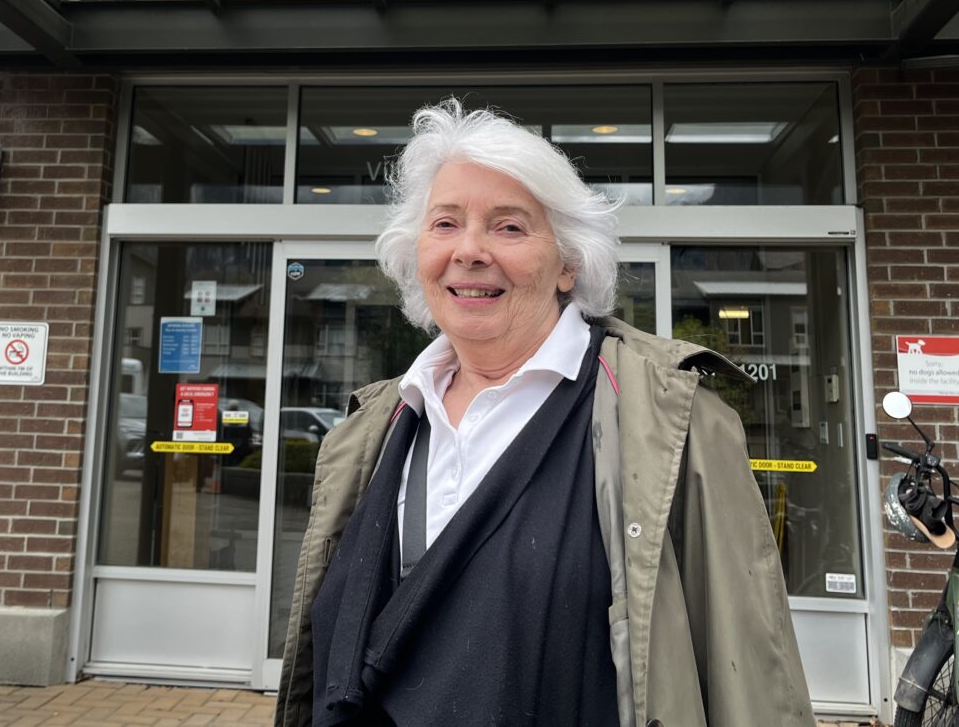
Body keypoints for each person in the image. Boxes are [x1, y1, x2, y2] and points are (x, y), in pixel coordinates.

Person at [275, 101, 813, 727]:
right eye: (445, 223)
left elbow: (746, 667)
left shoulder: (674, 417)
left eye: (508, 227)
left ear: (568, 262)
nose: (469, 251)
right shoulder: (375, 424)